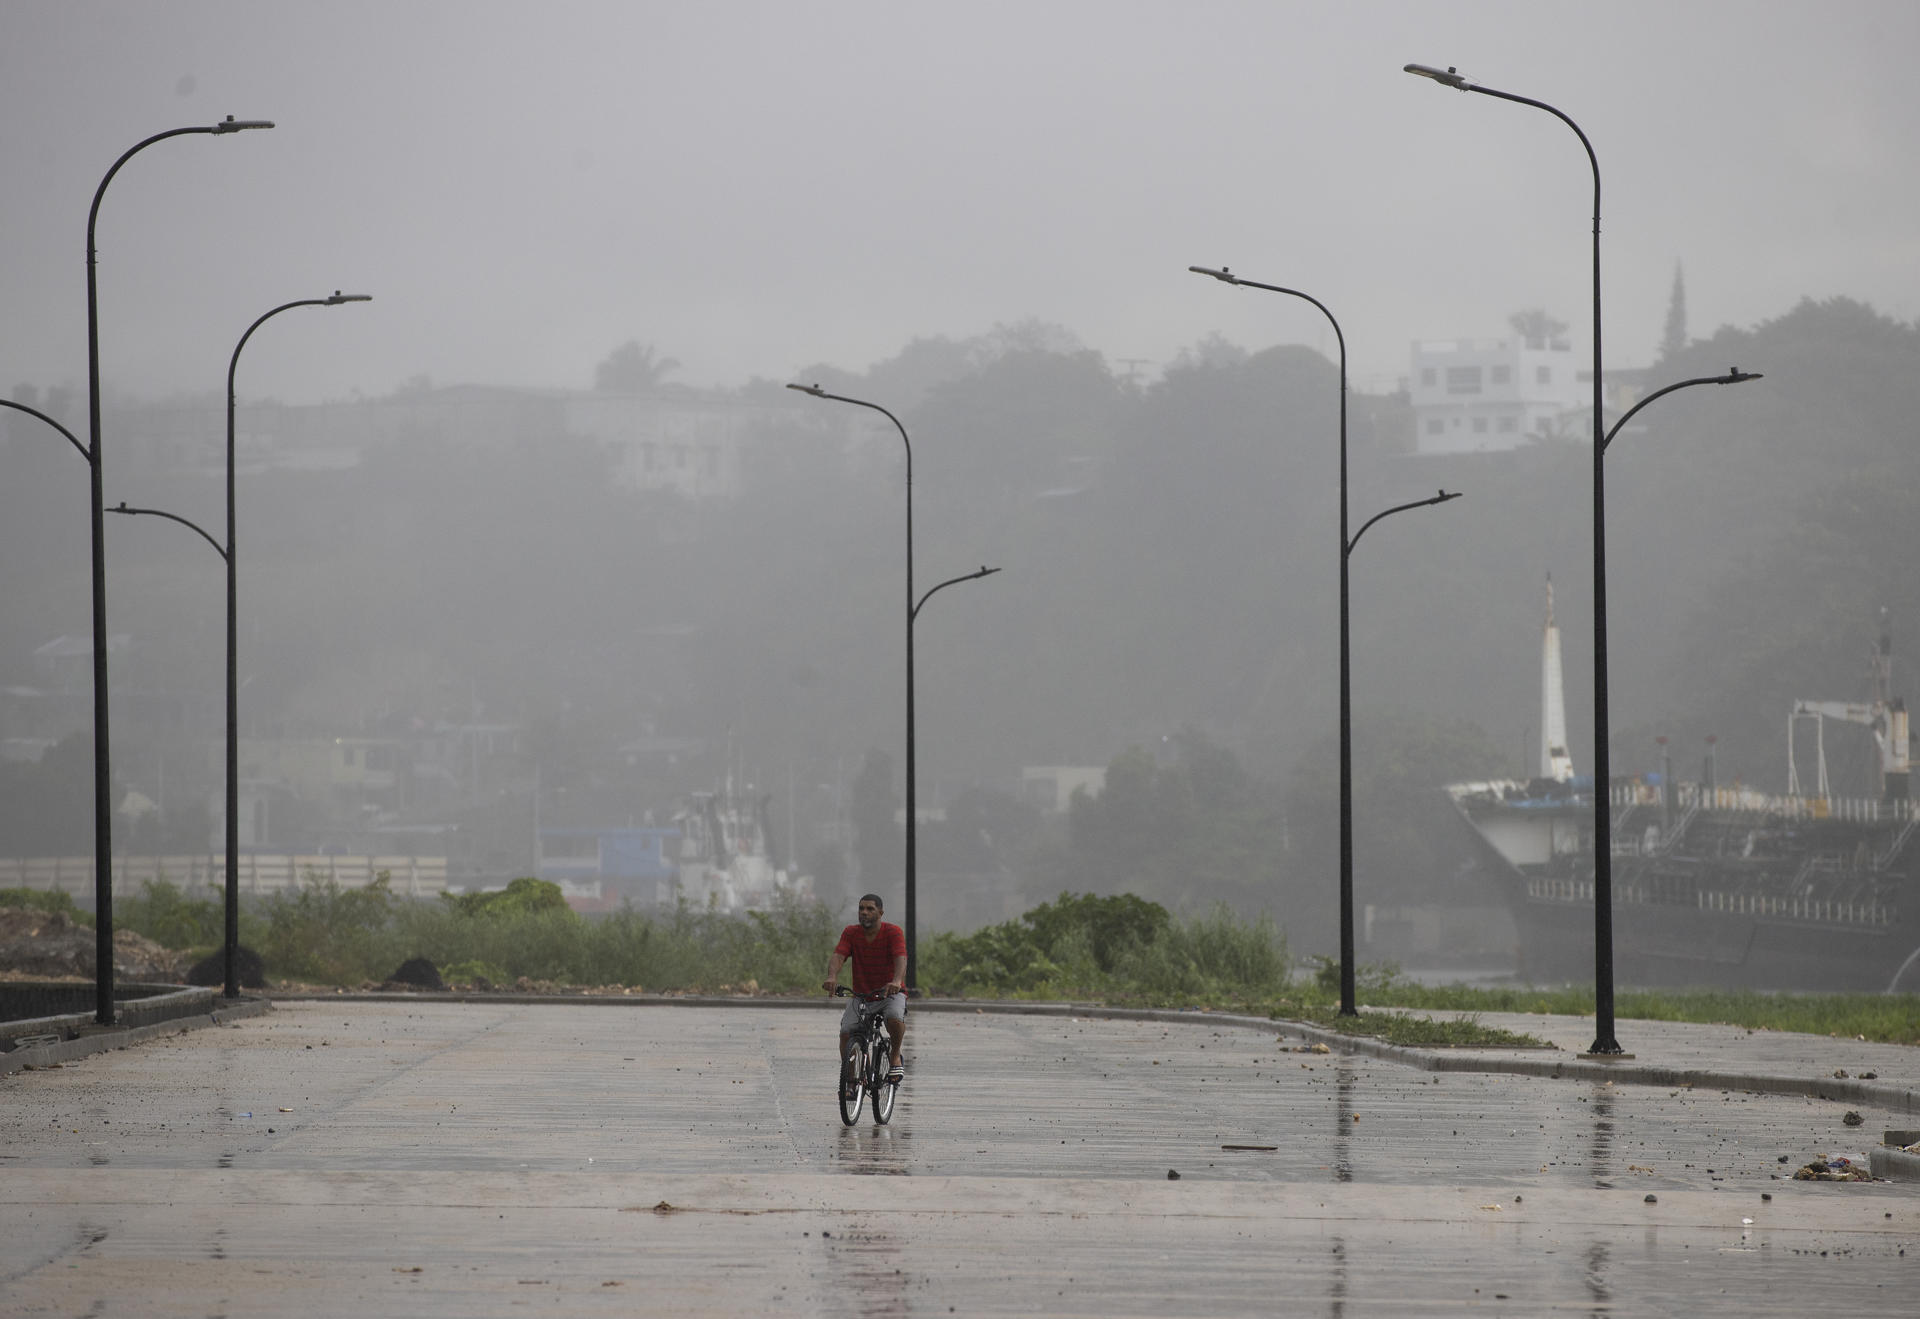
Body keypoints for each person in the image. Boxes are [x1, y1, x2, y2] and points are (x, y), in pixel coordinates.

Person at [823, 892, 907, 1084]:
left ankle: (894, 1056)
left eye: (870, 909)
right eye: (861, 909)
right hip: (861, 995)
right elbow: (838, 955)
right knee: (846, 1033)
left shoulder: (892, 932)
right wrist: (832, 976)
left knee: (893, 1018)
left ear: (881, 912)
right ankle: (852, 1079)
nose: (864, 912)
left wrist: (896, 981)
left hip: (890, 992)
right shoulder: (851, 933)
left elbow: (900, 958)